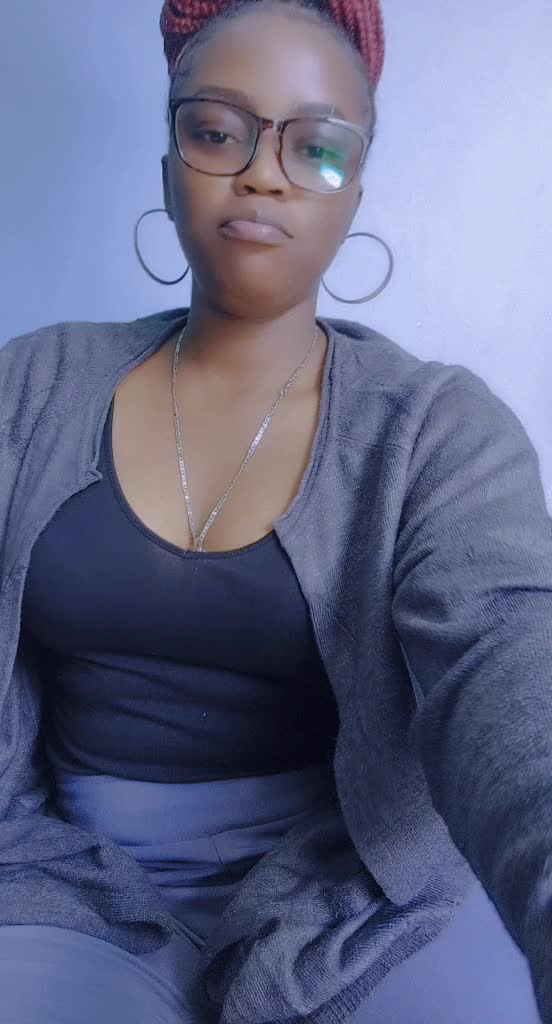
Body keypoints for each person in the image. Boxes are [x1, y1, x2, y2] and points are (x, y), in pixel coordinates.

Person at [0, 0, 551, 1021]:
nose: (262, 173)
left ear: (358, 190)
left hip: (351, 899)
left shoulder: (435, 431)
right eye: (217, 131)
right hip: (52, 881)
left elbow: (513, 679)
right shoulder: (30, 387)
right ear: (167, 163)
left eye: (317, 148)